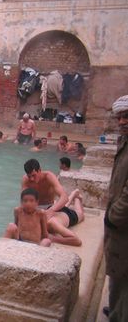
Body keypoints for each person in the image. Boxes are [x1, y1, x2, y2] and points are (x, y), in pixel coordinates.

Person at [103, 95, 128, 321]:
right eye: (119, 117)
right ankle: (115, 308)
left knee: (123, 271)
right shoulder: (124, 142)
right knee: (116, 269)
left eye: (126, 116)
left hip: (122, 221)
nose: (121, 122)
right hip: (117, 220)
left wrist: (113, 216)